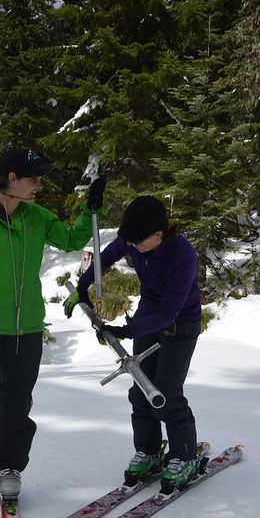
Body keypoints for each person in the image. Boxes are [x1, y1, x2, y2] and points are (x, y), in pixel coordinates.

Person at [0, 147, 106, 508]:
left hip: (25, 329)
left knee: (17, 405)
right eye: (34, 178)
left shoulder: (36, 216)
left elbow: (72, 240)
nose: (39, 185)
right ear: (11, 178)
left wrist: (91, 210)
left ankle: (10, 466)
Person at [64, 195, 203, 494]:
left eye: (136, 242)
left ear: (159, 234)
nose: (130, 246)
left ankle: (185, 457)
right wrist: (83, 286)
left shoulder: (183, 257)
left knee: (166, 394)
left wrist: (126, 331)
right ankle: (149, 451)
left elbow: (169, 313)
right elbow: (107, 255)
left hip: (179, 327)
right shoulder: (135, 239)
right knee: (141, 390)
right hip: (148, 319)